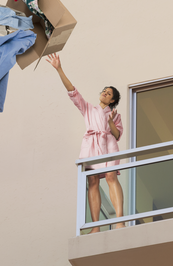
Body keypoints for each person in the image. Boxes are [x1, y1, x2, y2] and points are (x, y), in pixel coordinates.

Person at [46, 53, 125, 233]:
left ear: (112, 100)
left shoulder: (115, 115)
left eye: (109, 93)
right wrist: (59, 69)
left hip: (109, 144)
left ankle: (120, 221)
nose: (104, 93)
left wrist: (111, 121)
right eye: (104, 91)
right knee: (93, 181)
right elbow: (73, 91)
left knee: (112, 177)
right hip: (91, 145)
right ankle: (95, 226)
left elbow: (117, 134)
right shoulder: (89, 108)